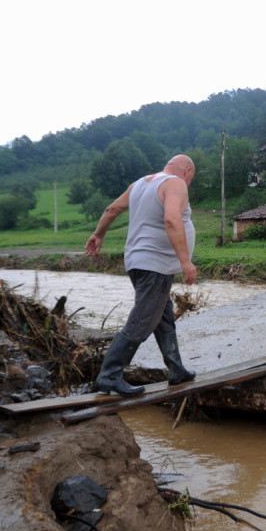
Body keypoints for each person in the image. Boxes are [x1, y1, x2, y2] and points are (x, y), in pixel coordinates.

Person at [84, 154, 198, 396]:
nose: (188, 184)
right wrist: (185, 260)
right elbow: (171, 219)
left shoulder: (139, 184)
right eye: (191, 178)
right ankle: (109, 376)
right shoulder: (175, 183)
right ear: (187, 170)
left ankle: (176, 369)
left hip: (138, 262)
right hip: (154, 264)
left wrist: (98, 234)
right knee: (144, 319)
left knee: (162, 316)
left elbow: (112, 208)